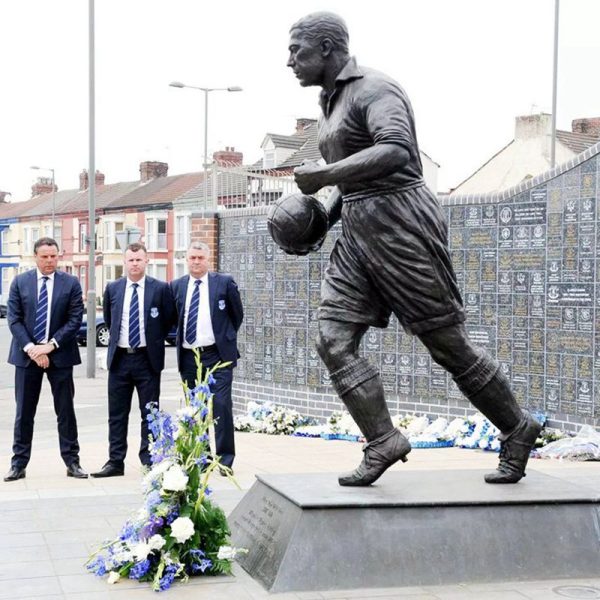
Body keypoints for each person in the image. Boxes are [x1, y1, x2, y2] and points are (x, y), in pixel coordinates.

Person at [286, 12, 541, 487]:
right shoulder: (330, 101)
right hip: (359, 227)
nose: (289, 61)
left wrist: (322, 176)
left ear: (325, 49)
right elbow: (357, 176)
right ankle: (383, 439)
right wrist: (323, 217)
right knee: (332, 339)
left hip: (401, 223)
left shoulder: (375, 89)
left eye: (296, 50)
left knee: (447, 345)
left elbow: (398, 151)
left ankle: (517, 427)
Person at [4, 237, 87, 481]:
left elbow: (74, 320)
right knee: (24, 412)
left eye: (53, 256)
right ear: (35, 257)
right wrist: (33, 349)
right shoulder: (20, 283)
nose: (50, 261)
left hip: (60, 356)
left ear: (58, 256)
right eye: (44, 257)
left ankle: (72, 462)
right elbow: (14, 319)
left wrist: (49, 347)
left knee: (66, 411)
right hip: (26, 356)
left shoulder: (71, 284)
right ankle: (18, 464)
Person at [91, 242, 175, 478]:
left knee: (149, 413)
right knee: (116, 414)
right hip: (120, 360)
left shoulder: (160, 289)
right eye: (131, 260)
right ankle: (115, 461)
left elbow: (168, 320)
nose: (135, 263)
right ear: (124, 262)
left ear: (146, 261)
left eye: (139, 259)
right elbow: (110, 319)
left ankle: (149, 459)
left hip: (147, 360)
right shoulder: (114, 288)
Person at [170, 241, 244, 473]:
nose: (196, 262)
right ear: (186, 259)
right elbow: (174, 318)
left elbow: (237, 315)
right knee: (196, 409)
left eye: (200, 258)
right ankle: (202, 457)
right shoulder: (177, 286)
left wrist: (225, 337)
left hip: (217, 355)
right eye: (192, 257)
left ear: (208, 259)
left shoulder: (224, 283)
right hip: (190, 357)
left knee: (221, 405)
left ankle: (224, 459)